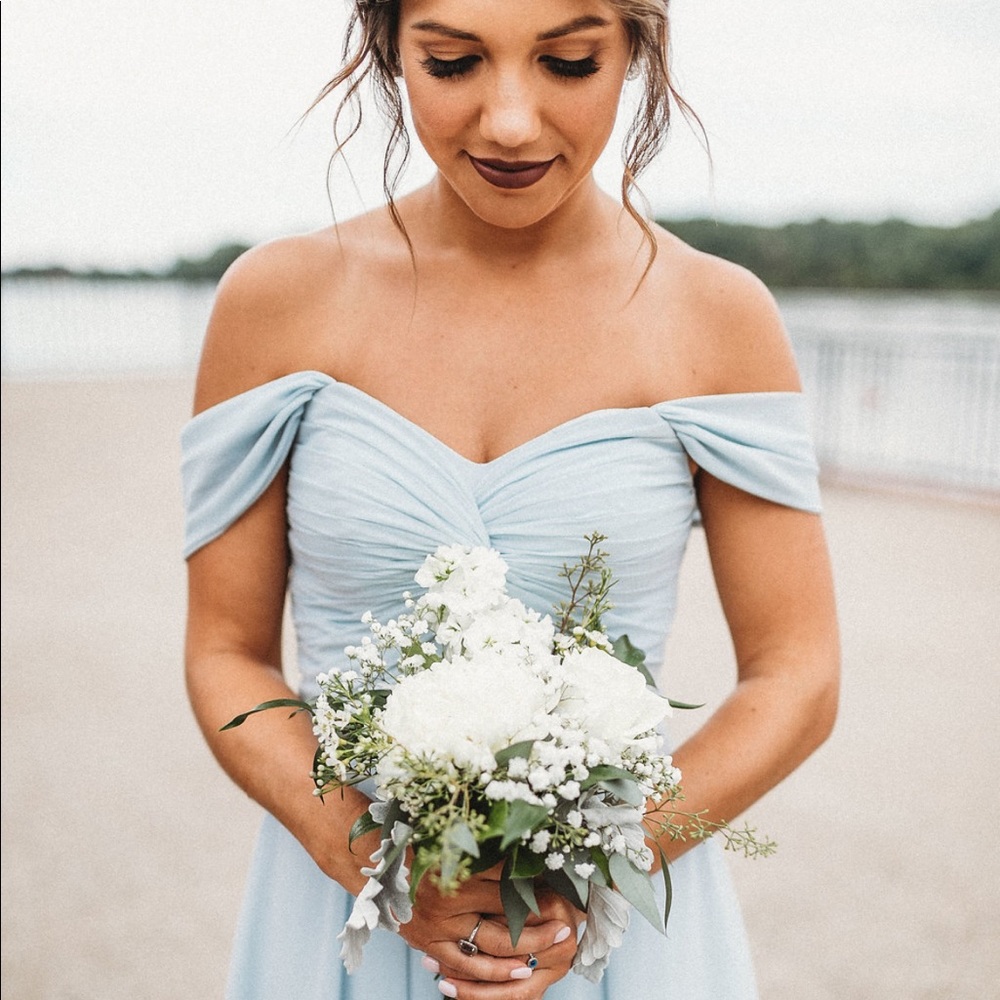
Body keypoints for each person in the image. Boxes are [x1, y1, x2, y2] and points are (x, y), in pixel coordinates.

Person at [181, 0, 840, 997]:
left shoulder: (716, 317)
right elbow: (225, 653)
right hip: (346, 915)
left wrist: (601, 864)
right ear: (389, 48)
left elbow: (799, 675)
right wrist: (370, 855)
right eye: (452, 63)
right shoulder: (277, 302)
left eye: (568, 63)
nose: (510, 122)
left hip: (617, 926)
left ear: (635, 50)